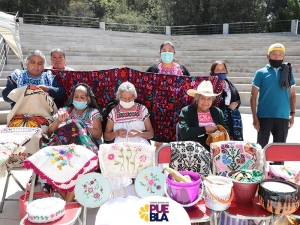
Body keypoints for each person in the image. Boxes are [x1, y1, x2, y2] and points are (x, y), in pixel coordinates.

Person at [46, 83, 102, 202]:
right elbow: (50, 132)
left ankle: (68, 201)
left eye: (82, 97)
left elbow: (98, 134)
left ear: (88, 99)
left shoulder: (93, 112)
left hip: (84, 149)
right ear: (72, 97)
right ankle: (69, 201)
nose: (78, 99)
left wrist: (81, 126)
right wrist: (58, 121)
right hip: (63, 149)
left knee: (77, 163)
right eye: (76, 97)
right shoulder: (65, 110)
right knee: (52, 162)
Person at [250, 43, 296, 150]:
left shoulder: (288, 73)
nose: (277, 57)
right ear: (268, 56)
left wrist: (292, 114)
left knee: (279, 151)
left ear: (283, 57)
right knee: (261, 150)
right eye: (274, 54)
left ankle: (278, 167)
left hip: (283, 116)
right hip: (264, 116)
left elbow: (292, 95)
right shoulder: (260, 73)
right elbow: (253, 96)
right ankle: (261, 168)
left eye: (280, 54)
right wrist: (254, 117)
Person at [146, 41, 190, 149]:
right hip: (159, 109)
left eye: (170, 50)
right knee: (158, 139)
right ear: (159, 53)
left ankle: (174, 162)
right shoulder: (154, 68)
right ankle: (158, 164)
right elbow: (143, 82)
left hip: (177, 108)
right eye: (164, 50)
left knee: (176, 138)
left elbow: (189, 85)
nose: (167, 52)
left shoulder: (182, 69)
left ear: (174, 53)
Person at [179, 80, 229, 151]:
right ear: (197, 99)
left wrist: (218, 132)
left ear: (212, 100)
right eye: (202, 98)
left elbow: (226, 130)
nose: (206, 102)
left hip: (214, 148)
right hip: (193, 149)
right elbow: (184, 132)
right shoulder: (187, 111)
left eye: (209, 99)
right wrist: (205, 129)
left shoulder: (217, 112)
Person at [210, 61, 243, 141]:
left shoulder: (230, 84)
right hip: (218, 117)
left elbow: (237, 98)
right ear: (212, 72)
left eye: (223, 69)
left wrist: (236, 103)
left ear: (226, 71)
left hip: (233, 118)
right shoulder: (210, 85)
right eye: (217, 70)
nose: (221, 72)